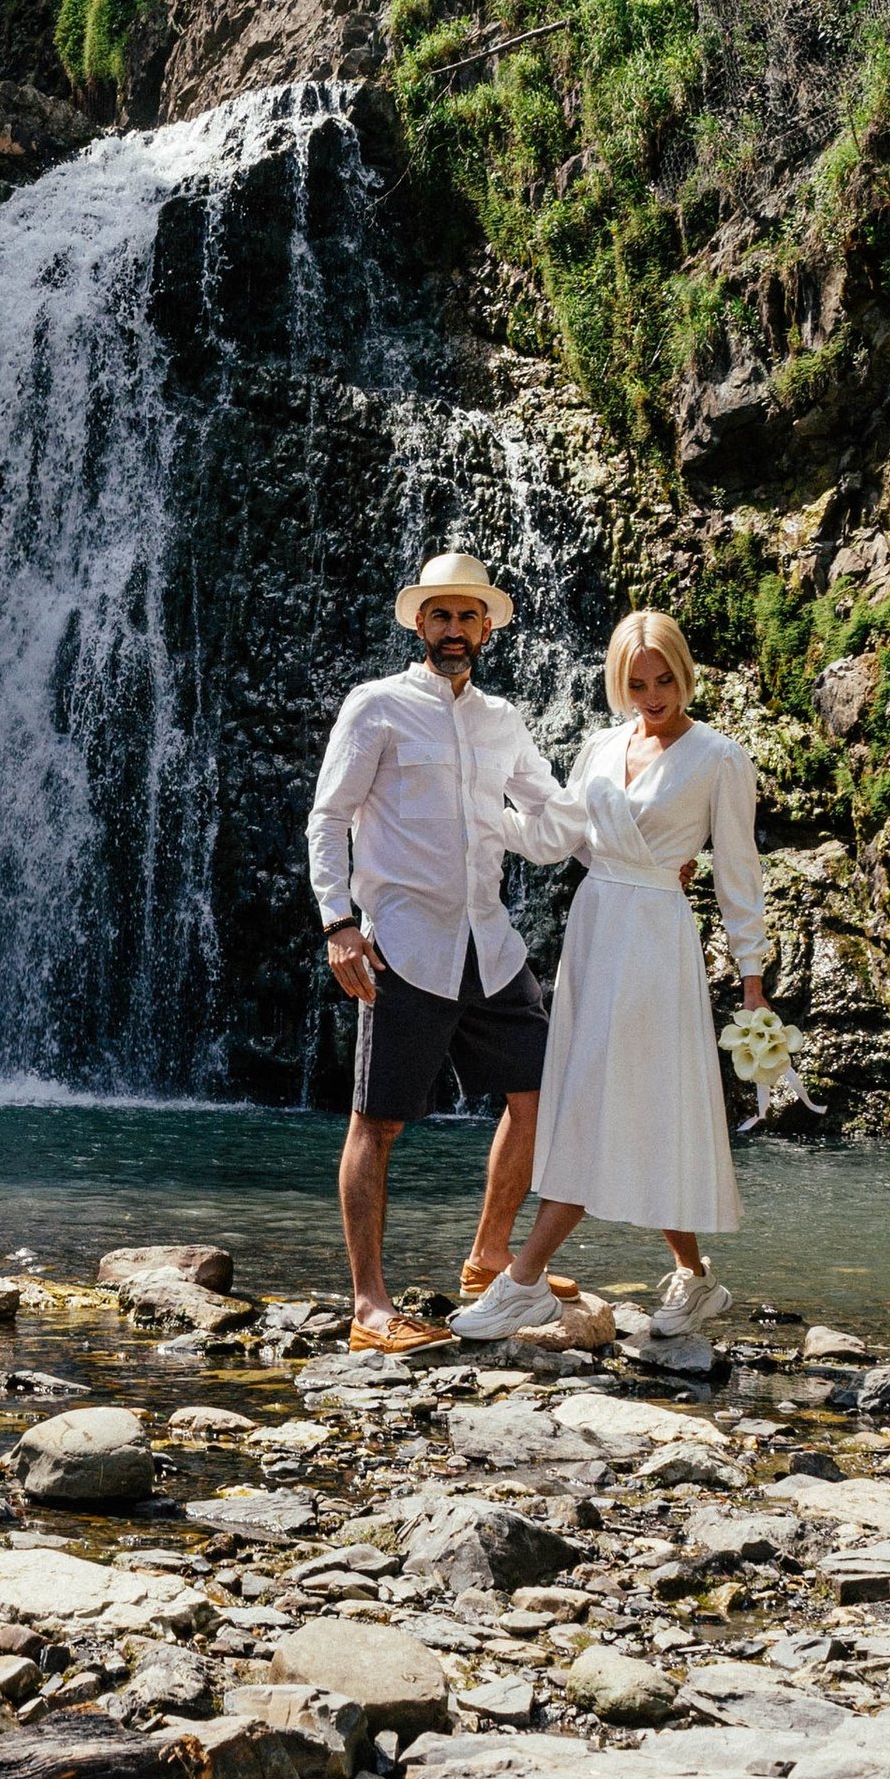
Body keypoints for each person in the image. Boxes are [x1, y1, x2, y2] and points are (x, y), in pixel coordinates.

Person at [459, 606, 765, 1345]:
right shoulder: (599, 745)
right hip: (596, 934)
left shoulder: (720, 757)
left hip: (658, 942)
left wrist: (752, 982)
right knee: (642, 1105)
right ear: (617, 682)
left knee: (599, 1103)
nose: (653, 696)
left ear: (684, 674)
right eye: (637, 683)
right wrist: (477, 813)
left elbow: (738, 874)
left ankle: (522, 1282)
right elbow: (559, 839)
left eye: (664, 680)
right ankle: (696, 1279)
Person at [306, 550, 580, 1351]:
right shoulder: (377, 706)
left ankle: (490, 1258)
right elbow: (329, 819)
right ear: (420, 625)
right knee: (377, 1124)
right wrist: (337, 923)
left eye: (467, 617)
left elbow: (553, 818)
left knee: (540, 1099)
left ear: (486, 629)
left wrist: (634, 841)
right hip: (404, 949)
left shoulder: (503, 722)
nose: (453, 630)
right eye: (440, 616)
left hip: (489, 946)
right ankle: (369, 1309)